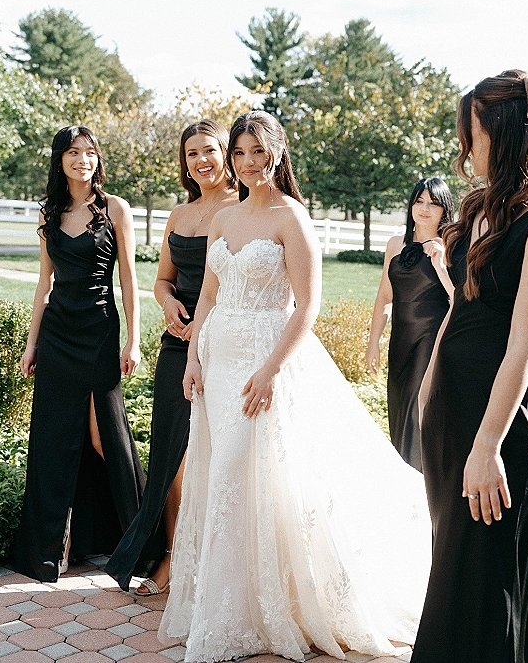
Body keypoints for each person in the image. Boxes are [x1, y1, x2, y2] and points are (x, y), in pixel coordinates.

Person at [159, 110, 432, 662]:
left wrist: (270, 369)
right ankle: (231, 606)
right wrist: (193, 356)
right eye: (240, 154)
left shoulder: (292, 218)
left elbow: (308, 306)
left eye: (259, 152)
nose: (250, 163)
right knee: (223, 478)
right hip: (219, 357)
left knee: (259, 474)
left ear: (278, 154)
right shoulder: (224, 218)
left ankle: (277, 604)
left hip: (268, 360)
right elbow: (208, 296)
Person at [413, 70, 528, 663]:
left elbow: (525, 342)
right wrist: (427, 385)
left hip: (500, 419)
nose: (466, 149)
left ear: (506, 132)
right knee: (452, 565)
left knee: (486, 575)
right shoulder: (477, 209)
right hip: (452, 409)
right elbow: (456, 309)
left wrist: (488, 445)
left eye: (473, 135)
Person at [105, 119, 237, 595]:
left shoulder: (243, 208)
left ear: (227, 153)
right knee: (171, 456)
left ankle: (216, 566)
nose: (201, 161)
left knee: (218, 454)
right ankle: (172, 559)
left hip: (224, 344)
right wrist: (167, 303)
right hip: (177, 346)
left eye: (210, 150)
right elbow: (162, 279)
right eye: (192, 154)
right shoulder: (179, 215)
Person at [15, 125, 144, 582]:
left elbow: (128, 279)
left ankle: (137, 541)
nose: (82, 160)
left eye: (89, 152)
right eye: (73, 152)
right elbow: (43, 283)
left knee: (102, 436)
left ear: (97, 160)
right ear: (60, 160)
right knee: (53, 439)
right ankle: (52, 546)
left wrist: (134, 340)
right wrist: (31, 345)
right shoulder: (50, 210)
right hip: (56, 336)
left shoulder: (115, 209)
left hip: (98, 332)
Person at [365, 177, 454, 471]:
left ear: (444, 210)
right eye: (419, 201)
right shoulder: (395, 244)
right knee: (399, 409)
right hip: (400, 340)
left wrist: (441, 266)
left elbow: (459, 298)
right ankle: (403, 475)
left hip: (431, 339)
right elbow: (384, 296)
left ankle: (421, 480)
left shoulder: (450, 245)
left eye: (433, 203)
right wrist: (373, 342)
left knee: (419, 412)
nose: (425, 209)